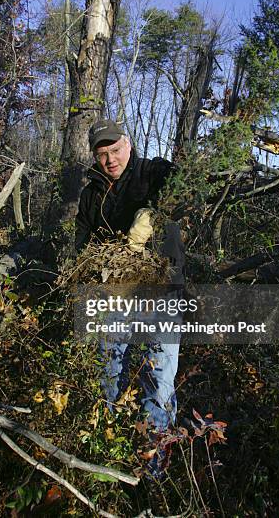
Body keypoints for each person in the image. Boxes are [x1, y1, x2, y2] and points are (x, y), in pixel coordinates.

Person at [75, 119, 185, 477]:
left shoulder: (154, 172)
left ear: (129, 143)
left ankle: (153, 466)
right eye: (102, 154)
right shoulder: (93, 193)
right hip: (116, 299)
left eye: (115, 150)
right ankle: (105, 451)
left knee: (159, 375)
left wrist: (154, 212)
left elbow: (185, 189)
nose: (110, 160)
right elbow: (82, 244)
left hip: (162, 290)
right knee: (108, 368)